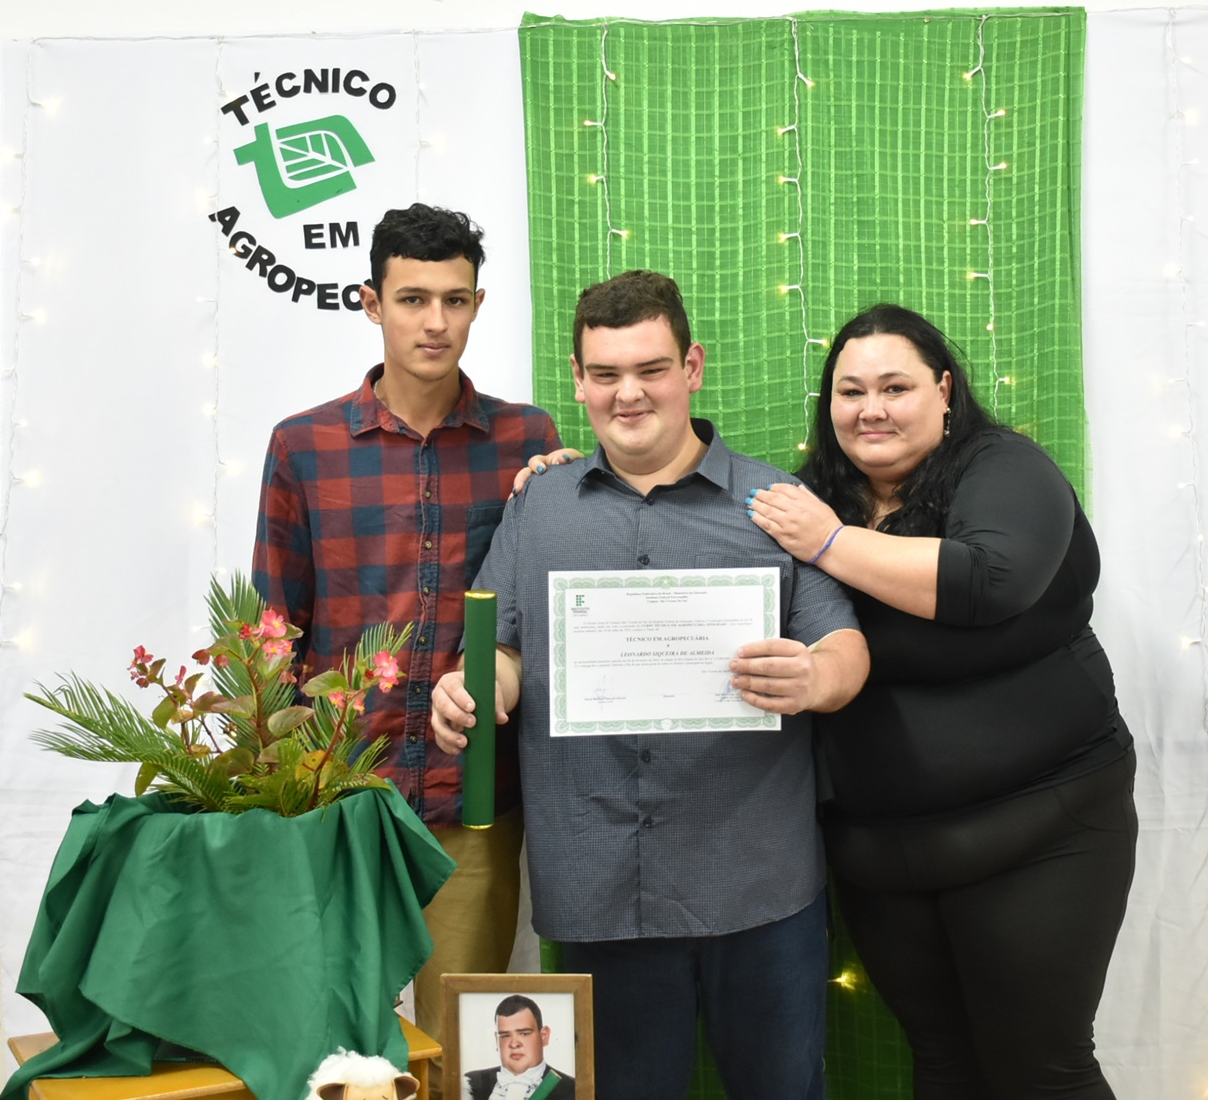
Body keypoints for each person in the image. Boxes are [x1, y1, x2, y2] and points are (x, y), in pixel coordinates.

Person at [430, 270, 870, 1100]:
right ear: (578, 379)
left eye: (651, 369)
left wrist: (815, 675)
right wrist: (474, 686)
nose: (627, 394)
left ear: (691, 367)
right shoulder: (538, 506)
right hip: (598, 888)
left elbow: (844, 645)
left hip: (759, 883)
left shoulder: (775, 503)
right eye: (605, 373)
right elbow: (504, 650)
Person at [744, 303, 1137, 1100]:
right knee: (944, 1065)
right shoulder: (815, 496)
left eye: (896, 386)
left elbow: (990, 579)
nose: (872, 408)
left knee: (1043, 1071)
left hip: (1041, 827)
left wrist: (829, 543)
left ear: (945, 390)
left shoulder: (1005, 468)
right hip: (882, 852)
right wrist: (563, 480)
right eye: (851, 391)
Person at [252, 204, 570, 1070]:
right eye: (413, 298)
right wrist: (274, 798)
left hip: (471, 801)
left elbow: (541, 606)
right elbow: (274, 632)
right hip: (338, 796)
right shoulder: (304, 446)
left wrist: (566, 490)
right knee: (326, 1049)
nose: (436, 322)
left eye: (455, 300)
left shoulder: (528, 440)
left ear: (478, 305)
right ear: (371, 302)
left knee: (465, 1050)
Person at [464, 995, 578, 1100]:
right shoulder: (469, 1083)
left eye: (524, 1034)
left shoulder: (574, 1089)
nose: (514, 1044)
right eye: (505, 1035)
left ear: (544, 1036)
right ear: (496, 1040)